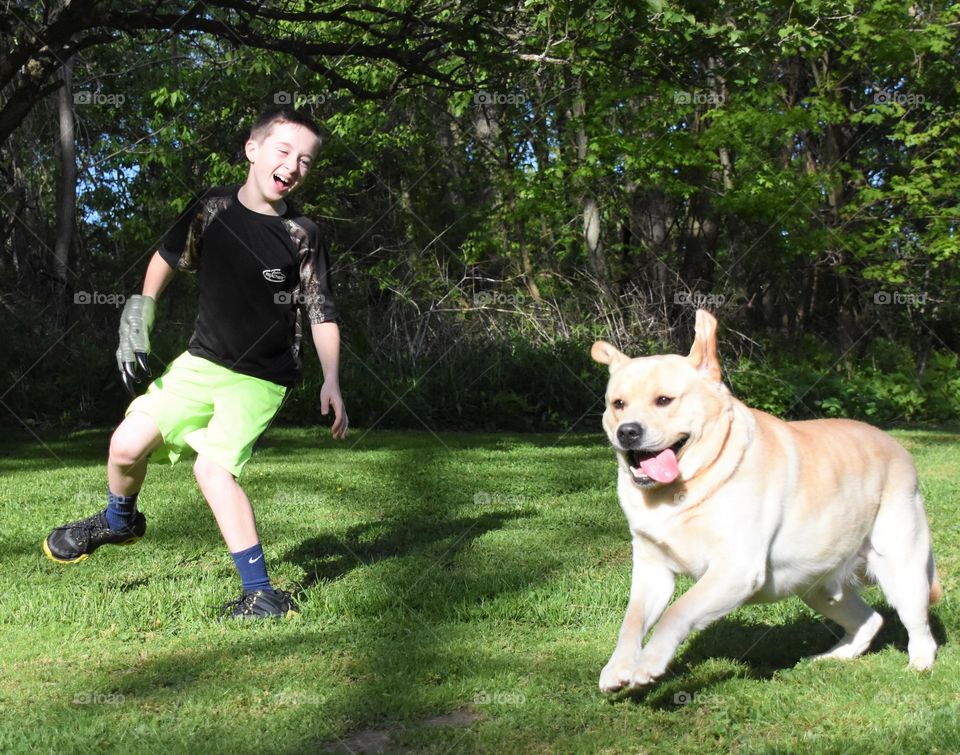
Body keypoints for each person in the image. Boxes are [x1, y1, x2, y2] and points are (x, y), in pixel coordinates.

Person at [43, 106, 348, 619]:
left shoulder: (303, 233)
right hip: (200, 362)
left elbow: (321, 311)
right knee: (124, 446)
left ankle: (262, 595)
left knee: (212, 469)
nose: (294, 165)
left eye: (305, 161)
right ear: (252, 150)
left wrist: (332, 379)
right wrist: (138, 316)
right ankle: (120, 520)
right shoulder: (212, 208)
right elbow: (165, 258)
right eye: (283, 151)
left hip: (260, 379)